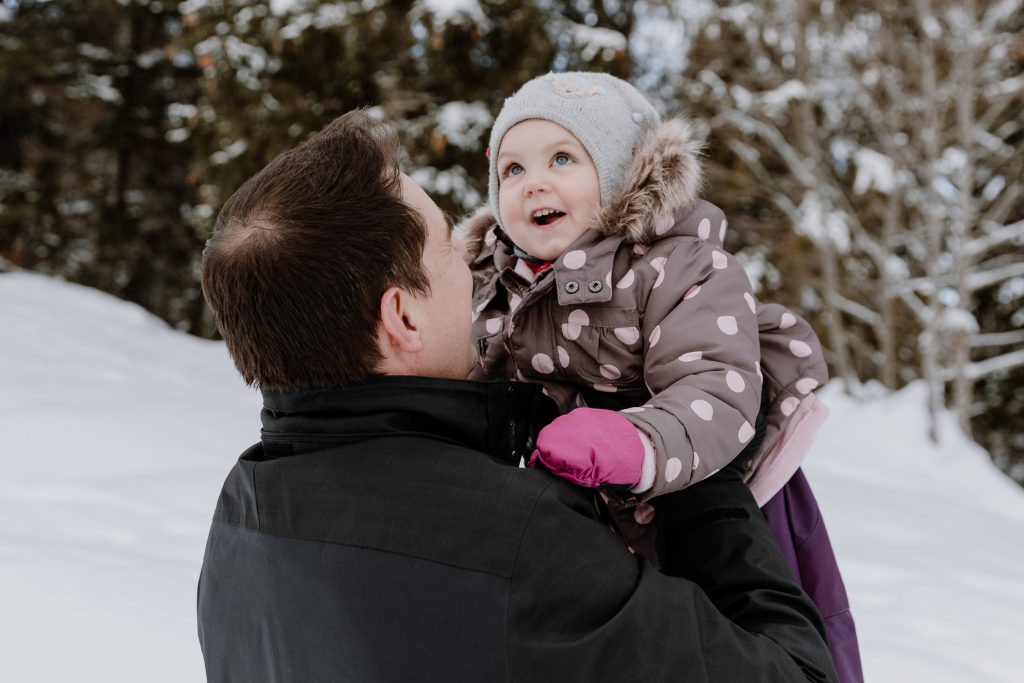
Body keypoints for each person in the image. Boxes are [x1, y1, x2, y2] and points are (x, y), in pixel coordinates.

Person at [196, 109, 839, 682]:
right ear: (403, 319)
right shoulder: (518, 539)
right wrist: (702, 478)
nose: (472, 257)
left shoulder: (241, 516)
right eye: (448, 240)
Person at [461, 71, 862, 682]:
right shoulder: (494, 284)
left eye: (563, 157)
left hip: (695, 485)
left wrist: (636, 442)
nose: (532, 182)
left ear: (627, 173)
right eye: (511, 170)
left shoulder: (680, 264)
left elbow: (716, 385)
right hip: (575, 510)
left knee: (712, 640)